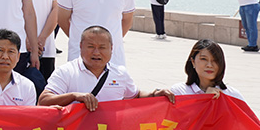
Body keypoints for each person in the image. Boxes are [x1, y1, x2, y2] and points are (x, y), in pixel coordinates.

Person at [38, 25, 175, 110]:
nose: (96, 52)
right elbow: (43, 102)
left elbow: (136, 95)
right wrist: (74, 96)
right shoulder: (66, 72)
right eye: (90, 47)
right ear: (80, 46)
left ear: (111, 49)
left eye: (102, 47)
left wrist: (155, 94)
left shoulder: (120, 73)